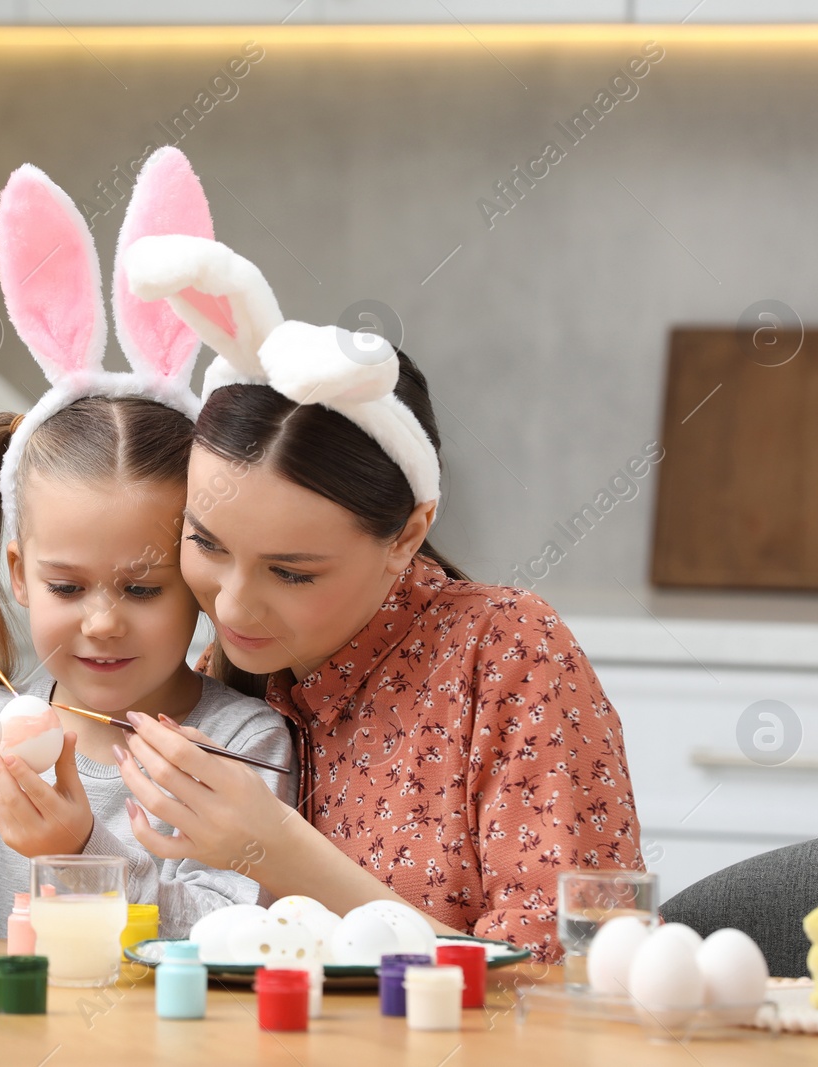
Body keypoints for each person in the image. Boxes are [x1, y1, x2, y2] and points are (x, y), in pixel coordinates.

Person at [107, 234, 644, 961]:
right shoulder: (234, 669)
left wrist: (278, 852)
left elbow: (572, 976)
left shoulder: (510, 651)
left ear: (409, 532)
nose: (232, 607)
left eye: (292, 573)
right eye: (206, 544)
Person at [0, 153, 294, 939]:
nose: (101, 623)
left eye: (142, 589)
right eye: (69, 587)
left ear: (198, 580)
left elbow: (219, 943)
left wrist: (80, 850)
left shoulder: (237, 746)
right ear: (20, 575)